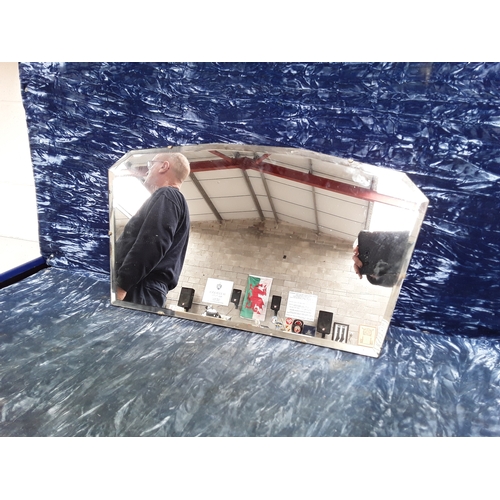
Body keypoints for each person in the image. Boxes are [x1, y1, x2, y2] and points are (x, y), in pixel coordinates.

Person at [114, 152, 191, 307]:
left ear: (164, 166)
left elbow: (151, 243)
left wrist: (122, 285)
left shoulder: (167, 195)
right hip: (143, 289)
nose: (147, 170)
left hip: (138, 288)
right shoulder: (172, 201)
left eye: (151, 164)